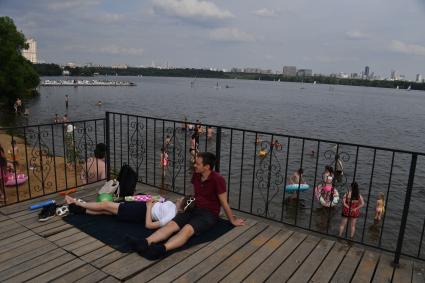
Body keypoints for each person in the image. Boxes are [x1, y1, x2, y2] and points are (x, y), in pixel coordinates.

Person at [131, 152, 245, 260]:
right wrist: (183, 205)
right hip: (193, 207)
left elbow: (224, 202)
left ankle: (162, 249)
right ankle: (145, 242)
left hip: (208, 213)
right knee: (171, 225)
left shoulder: (218, 179)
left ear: (207, 166)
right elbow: (194, 194)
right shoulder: (196, 175)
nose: (194, 165)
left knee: (187, 229)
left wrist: (232, 220)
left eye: (198, 164)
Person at [64, 195, 189, 229]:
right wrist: (154, 199)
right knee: (108, 211)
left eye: (181, 199)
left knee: (106, 204)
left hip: (140, 212)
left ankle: (76, 202)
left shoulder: (171, 216)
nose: (178, 198)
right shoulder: (173, 206)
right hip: (143, 207)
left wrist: (150, 206)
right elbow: (161, 203)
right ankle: (78, 210)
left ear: (182, 208)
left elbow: (149, 225)